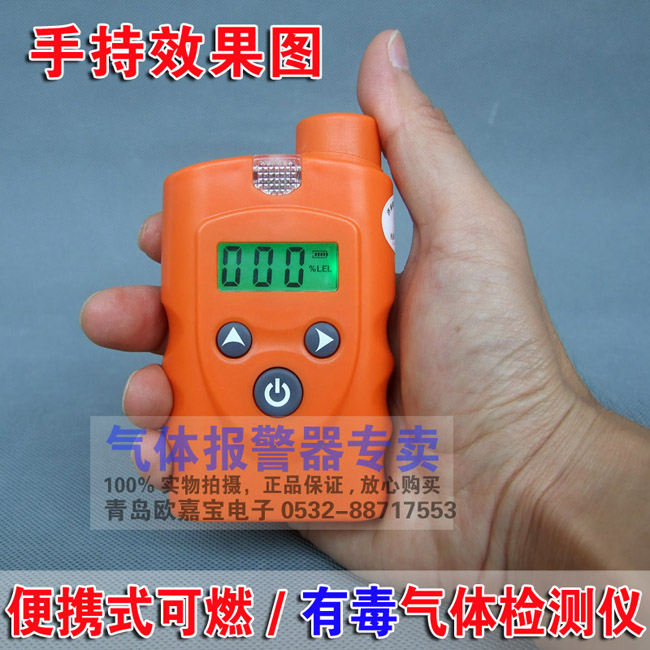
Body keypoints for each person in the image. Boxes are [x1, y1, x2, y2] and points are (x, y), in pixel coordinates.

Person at [80, 30, 649, 571]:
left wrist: (529, 468)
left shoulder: (354, 189)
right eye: (252, 271)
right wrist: (539, 475)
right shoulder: (307, 198)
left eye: (303, 270)